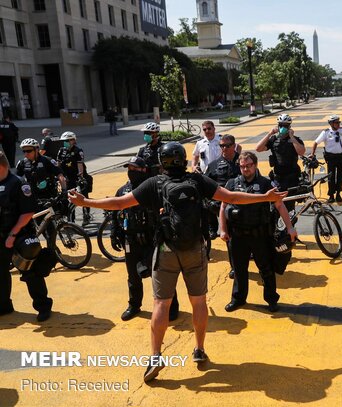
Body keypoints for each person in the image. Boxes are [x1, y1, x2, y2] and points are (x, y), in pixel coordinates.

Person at [67, 141, 288, 383]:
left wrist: (86, 202)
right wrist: (263, 197)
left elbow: (119, 203)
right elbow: (231, 197)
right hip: (194, 248)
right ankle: (199, 348)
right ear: (184, 160)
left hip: (166, 249)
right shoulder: (196, 180)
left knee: (161, 304)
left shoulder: (155, 183)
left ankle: (155, 357)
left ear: (162, 163)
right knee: (199, 301)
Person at [220, 152, 297, 313]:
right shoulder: (232, 184)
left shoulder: (265, 184)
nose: (245, 169)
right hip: (238, 236)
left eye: (248, 166)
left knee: (266, 268)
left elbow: (280, 205)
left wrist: (290, 228)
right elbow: (223, 207)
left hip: (260, 235)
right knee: (239, 269)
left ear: (255, 165)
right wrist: (223, 229)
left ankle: (271, 299)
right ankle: (238, 299)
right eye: (242, 166)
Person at [110, 156, 179, 322]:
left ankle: (172, 307)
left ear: (143, 171)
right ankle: (134, 305)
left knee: (162, 276)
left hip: (151, 240)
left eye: (135, 169)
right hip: (130, 240)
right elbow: (115, 212)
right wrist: (114, 233)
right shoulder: (123, 191)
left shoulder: (152, 189)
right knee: (133, 276)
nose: (131, 172)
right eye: (129, 169)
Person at [0, 151, 53, 322]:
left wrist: (12, 234)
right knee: (1, 273)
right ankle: (4, 306)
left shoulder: (18, 184)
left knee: (31, 273)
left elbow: (28, 212)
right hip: (1, 237)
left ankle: (43, 306)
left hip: (19, 236)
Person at [204, 134, 241, 277]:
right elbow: (205, 184)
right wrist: (210, 203)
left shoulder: (243, 161)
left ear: (234, 145)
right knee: (230, 239)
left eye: (227, 145)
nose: (224, 148)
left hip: (244, 205)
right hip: (225, 209)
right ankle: (235, 267)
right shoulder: (214, 165)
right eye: (221, 146)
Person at [255, 114, 305, 210]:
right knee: (276, 206)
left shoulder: (296, 140)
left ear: (289, 126)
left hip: (292, 178)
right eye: (281, 125)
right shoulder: (274, 140)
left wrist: (291, 136)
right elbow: (258, 148)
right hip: (278, 179)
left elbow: (301, 152)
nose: (283, 127)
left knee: (290, 207)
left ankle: (289, 224)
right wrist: (270, 133)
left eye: (285, 125)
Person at [309, 115, 342, 203]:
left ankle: (338, 194)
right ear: (331, 123)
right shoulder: (326, 132)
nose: (338, 124)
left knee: (340, 177)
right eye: (336, 122)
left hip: (341, 157)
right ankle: (331, 195)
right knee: (331, 177)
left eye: (339, 122)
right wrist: (312, 154)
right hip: (331, 158)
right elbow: (316, 142)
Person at [16, 139, 66, 203]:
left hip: (49, 195)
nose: (26, 154)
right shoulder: (22, 162)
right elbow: (16, 179)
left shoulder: (47, 160)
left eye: (28, 151)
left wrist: (64, 190)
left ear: (36, 150)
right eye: (24, 151)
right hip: (32, 196)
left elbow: (60, 175)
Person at [56, 131, 91, 225]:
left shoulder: (78, 151)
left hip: (78, 178)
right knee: (69, 198)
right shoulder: (61, 151)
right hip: (68, 179)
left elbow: (80, 166)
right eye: (64, 141)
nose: (65, 142)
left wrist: (81, 178)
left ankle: (86, 215)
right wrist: (58, 176)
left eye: (67, 140)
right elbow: (58, 165)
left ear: (73, 140)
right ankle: (71, 220)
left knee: (84, 197)